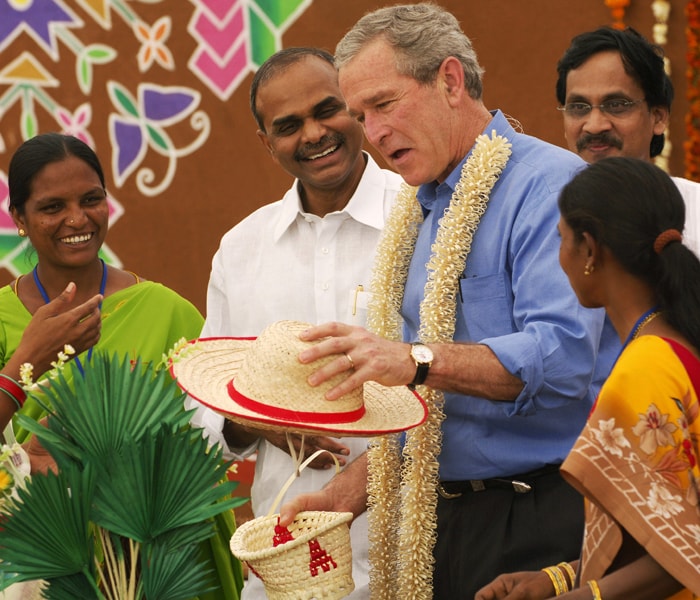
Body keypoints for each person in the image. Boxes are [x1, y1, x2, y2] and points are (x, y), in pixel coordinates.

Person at [277, 4, 614, 598]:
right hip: (443, 524)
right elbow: (431, 408)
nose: (373, 133)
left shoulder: (550, 187)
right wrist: (343, 496)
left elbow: (560, 360)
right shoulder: (421, 208)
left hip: (538, 516)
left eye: (384, 104)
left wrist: (414, 360)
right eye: (360, 115)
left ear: (450, 81)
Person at [185, 47, 403, 599]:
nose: (312, 134)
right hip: (285, 575)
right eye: (288, 126)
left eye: (326, 110)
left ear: (354, 106)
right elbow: (206, 410)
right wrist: (262, 426)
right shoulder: (242, 249)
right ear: (266, 142)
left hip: (416, 559)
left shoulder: (422, 217)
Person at [0, 132, 240, 600]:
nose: (77, 218)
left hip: (165, 567)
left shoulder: (168, 312)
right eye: (52, 207)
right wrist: (29, 357)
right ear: (20, 220)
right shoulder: (5, 321)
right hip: (45, 568)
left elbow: (217, 440)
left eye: (91, 199)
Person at [475, 157, 700, 600]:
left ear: (590, 250)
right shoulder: (676, 343)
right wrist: (556, 579)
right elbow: (658, 536)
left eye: (560, 239)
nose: (559, 257)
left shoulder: (645, 366)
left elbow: (684, 551)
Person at [555, 26, 700, 257]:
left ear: (658, 117)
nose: (594, 125)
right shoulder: (538, 218)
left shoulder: (696, 212)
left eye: (616, 105)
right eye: (579, 107)